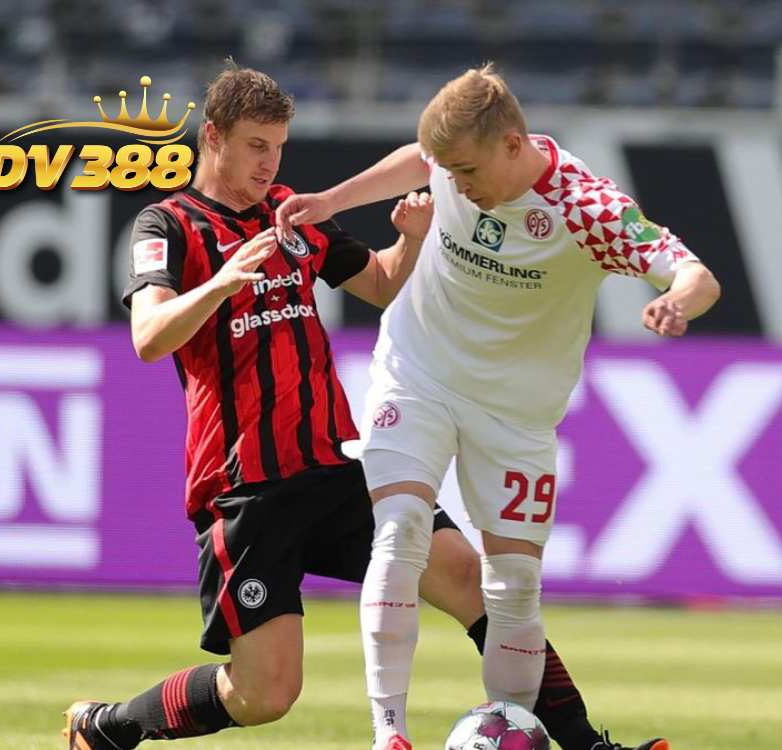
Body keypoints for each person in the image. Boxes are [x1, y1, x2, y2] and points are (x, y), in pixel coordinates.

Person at [63, 63, 669, 750]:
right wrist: (223, 284)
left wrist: (411, 237)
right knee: (266, 693)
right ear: (213, 138)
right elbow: (148, 336)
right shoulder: (167, 224)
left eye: (280, 146)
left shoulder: (288, 215)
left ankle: (588, 744)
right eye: (257, 146)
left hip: (333, 466)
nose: (271, 163)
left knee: (473, 579)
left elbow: (381, 285)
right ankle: (111, 727)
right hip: (247, 490)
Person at [275, 64, 720, 750]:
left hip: (515, 415)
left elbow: (696, 273)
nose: (452, 184)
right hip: (417, 371)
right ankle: (387, 734)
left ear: (513, 145)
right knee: (399, 533)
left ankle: (519, 733)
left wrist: (674, 302)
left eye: (465, 170)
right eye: (445, 169)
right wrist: (331, 199)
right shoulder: (455, 161)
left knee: (512, 587)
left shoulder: (586, 208)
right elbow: (416, 160)